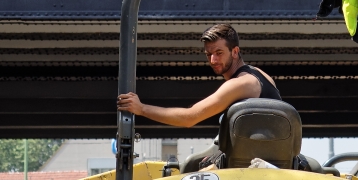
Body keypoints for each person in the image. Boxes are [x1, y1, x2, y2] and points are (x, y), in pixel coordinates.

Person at [115, 22, 280, 130]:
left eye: (219, 53)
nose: (213, 60)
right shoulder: (259, 74)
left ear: (235, 51)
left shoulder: (240, 84)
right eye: (208, 54)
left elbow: (189, 118)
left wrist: (141, 109)